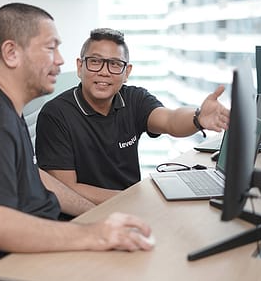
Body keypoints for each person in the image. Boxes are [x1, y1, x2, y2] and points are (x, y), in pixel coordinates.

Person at [0, 4, 154, 281]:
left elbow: (35, 176)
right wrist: (91, 234)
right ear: (11, 53)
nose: (59, 60)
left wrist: (96, 215)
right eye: (50, 48)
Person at [35, 28, 230, 205]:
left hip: (131, 207)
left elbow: (170, 120)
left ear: (126, 72)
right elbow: (67, 189)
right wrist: (137, 198)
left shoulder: (134, 99)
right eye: (95, 62)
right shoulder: (55, 115)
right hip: (85, 216)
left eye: (114, 64)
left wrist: (197, 118)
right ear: (80, 67)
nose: (104, 72)